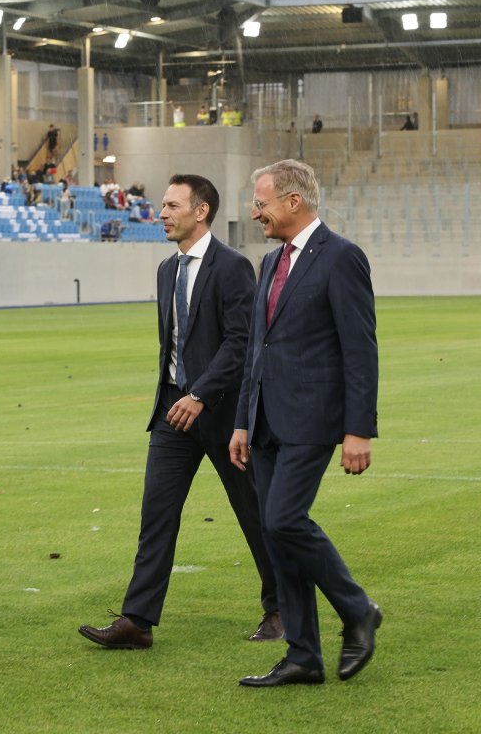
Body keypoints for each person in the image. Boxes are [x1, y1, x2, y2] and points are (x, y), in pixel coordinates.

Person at [79, 174, 281, 650]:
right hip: (173, 411)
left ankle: (281, 608)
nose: (162, 213)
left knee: (254, 512)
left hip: (224, 414)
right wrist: (179, 396)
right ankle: (137, 620)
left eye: (171, 205)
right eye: (162, 205)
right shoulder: (167, 270)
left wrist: (203, 393)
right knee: (157, 514)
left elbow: (241, 342)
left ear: (201, 210)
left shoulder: (232, 266)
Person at [230, 159, 380, 688]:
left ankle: (358, 608)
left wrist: (358, 429)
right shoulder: (270, 263)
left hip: (314, 419)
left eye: (262, 203)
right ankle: (303, 656)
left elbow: (359, 350)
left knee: (282, 521)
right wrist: (243, 421)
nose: (254, 212)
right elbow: (257, 351)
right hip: (265, 422)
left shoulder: (341, 258)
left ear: (294, 201)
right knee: (278, 538)